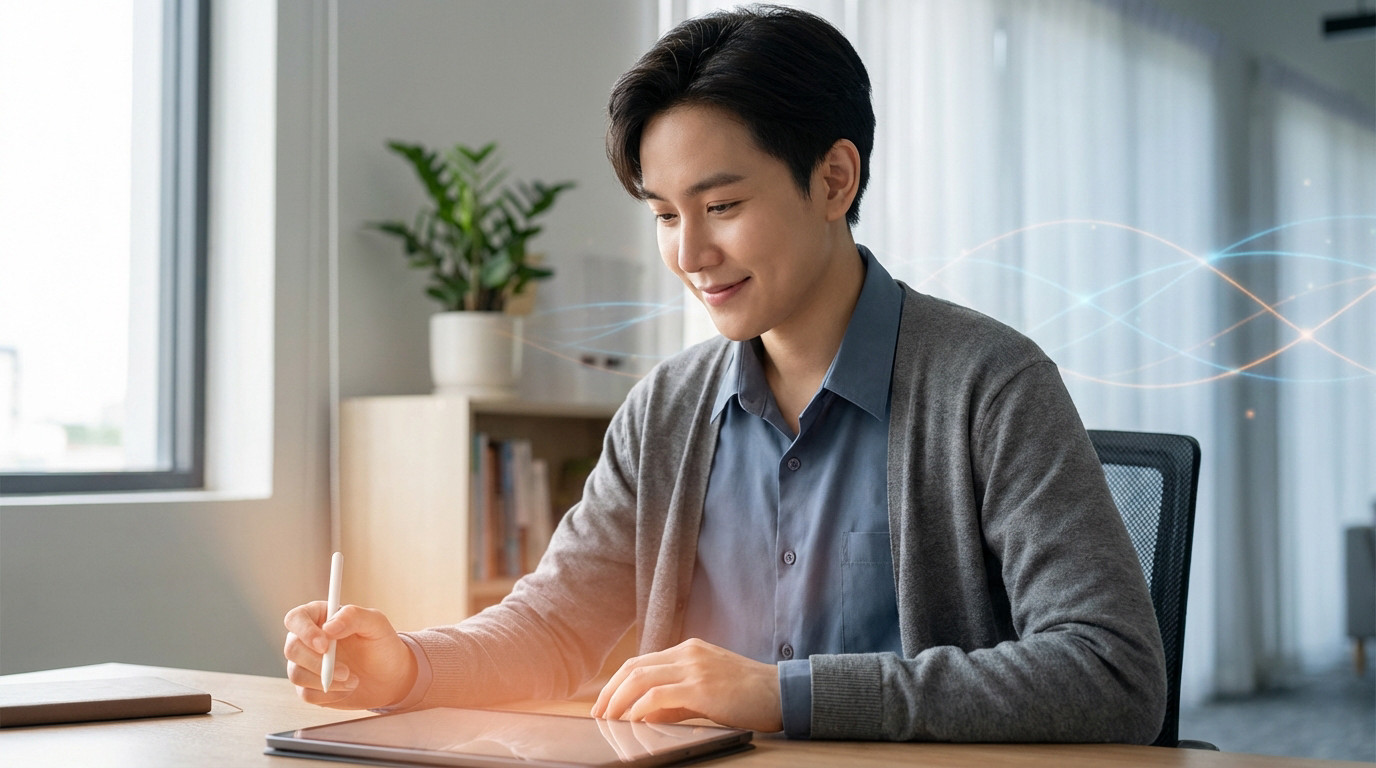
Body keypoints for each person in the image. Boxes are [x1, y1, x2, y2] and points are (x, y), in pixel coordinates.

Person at [284, 5, 1166, 743]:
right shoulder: (665, 411)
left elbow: (1111, 670)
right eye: (666, 214)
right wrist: (405, 663)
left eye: (723, 205)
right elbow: (552, 629)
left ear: (834, 178)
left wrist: (785, 694)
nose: (691, 253)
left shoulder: (990, 385)